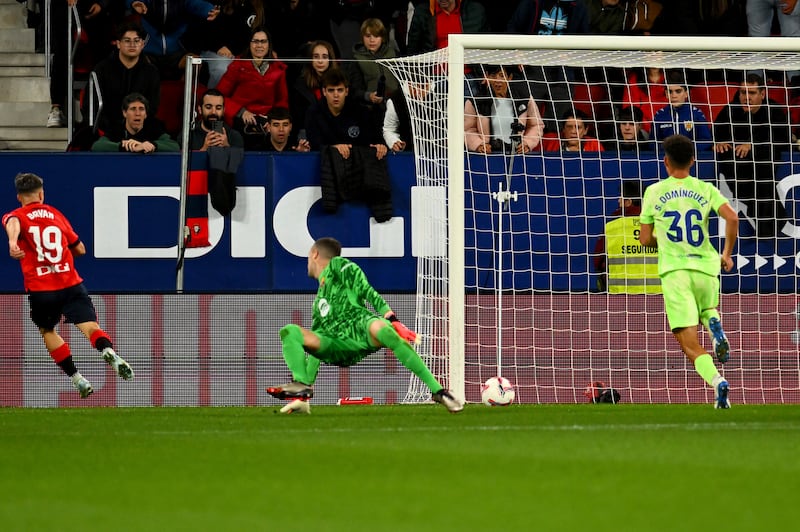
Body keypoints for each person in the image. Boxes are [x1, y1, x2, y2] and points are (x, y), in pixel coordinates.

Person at [266, 237, 464, 414]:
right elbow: (315, 346)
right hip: (334, 345)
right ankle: (301, 386)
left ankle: (438, 391)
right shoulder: (318, 302)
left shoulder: (337, 264)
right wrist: (304, 396)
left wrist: (392, 318)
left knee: (383, 329)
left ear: (314, 254)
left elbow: (366, 289)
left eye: (308, 258)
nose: (307, 264)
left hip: (359, 328)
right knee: (290, 331)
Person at [3, 172, 134, 398]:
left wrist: (13, 242)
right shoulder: (55, 214)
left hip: (41, 289)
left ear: (19, 197)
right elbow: (80, 249)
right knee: (90, 326)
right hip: (70, 284)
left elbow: (12, 222)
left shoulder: (17, 216)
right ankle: (107, 350)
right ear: (41, 194)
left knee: (48, 330)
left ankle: (77, 378)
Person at [638, 134, 739, 409]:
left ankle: (718, 381)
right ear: (694, 160)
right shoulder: (705, 188)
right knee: (707, 309)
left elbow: (645, 239)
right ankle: (714, 325)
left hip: (675, 271)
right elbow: (732, 217)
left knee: (690, 345)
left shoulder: (654, 191)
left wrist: (664, 238)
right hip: (706, 266)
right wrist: (726, 255)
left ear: (665, 161)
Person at [713, 73, 791, 238]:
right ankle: (772, 221)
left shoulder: (774, 111)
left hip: (763, 162)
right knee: (727, 155)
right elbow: (717, 133)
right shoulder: (730, 110)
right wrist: (720, 142)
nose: (746, 97)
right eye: (743, 92)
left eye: (752, 93)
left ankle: (769, 227)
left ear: (762, 94)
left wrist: (752, 145)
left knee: (764, 160)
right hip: (739, 166)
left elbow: (782, 140)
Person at [506, 0, 589, 134]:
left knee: (559, 124)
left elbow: (585, 38)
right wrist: (517, 51)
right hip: (531, 66)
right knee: (523, 119)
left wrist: (571, 54)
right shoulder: (530, 2)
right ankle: (521, 151)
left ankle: (556, 153)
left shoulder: (578, 6)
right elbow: (513, 28)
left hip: (562, 70)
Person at [216, 27, 289, 150]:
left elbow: (282, 100)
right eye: (255, 41)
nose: (259, 45)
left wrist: (273, 118)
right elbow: (219, 96)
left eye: (263, 41)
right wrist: (241, 111)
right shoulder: (237, 65)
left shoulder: (278, 68)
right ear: (249, 44)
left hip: (267, 120)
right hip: (240, 118)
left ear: (269, 45)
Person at [90, 21, 161, 134]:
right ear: (118, 44)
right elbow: (91, 107)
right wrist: (112, 130)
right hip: (107, 130)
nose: (132, 45)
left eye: (136, 41)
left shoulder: (151, 72)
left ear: (142, 44)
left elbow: (151, 108)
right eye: (127, 40)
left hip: (140, 130)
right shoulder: (101, 69)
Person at [593, 179, 660, 293]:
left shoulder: (612, 227)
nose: (618, 201)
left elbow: (597, 261)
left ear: (629, 202)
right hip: (661, 295)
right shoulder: (660, 226)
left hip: (621, 296)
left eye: (621, 198)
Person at [304, 69, 387, 159]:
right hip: (325, 164)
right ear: (324, 92)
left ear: (346, 91)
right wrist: (333, 149)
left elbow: (370, 142)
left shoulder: (360, 111)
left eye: (340, 90)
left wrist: (379, 146)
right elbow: (314, 145)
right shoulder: (313, 112)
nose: (336, 95)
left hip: (356, 164)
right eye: (331, 90)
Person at [127, 0, 220, 81]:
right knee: (136, 62)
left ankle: (185, 97)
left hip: (177, 51)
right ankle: (142, 98)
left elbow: (197, 4)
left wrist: (210, 9)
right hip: (150, 51)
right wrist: (133, 3)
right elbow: (132, 1)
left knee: (195, 62)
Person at [464, 64, 544, 154]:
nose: (497, 80)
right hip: (488, 155)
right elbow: (468, 130)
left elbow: (536, 125)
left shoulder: (524, 98)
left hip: (516, 154)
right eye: (493, 76)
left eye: (502, 76)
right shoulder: (475, 101)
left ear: (509, 77)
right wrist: (479, 145)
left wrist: (527, 143)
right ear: (487, 76)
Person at [91, 92, 180, 152]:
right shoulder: (116, 128)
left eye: (141, 109)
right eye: (133, 109)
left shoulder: (153, 127)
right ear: (125, 113)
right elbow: (97, 146)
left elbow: (175, 146)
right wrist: (124, 146)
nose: (137, 113)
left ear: (145, 114)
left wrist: (152, 145)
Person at [289, 40, 341, 143]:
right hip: (308, 134)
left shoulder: (340, 82)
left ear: (330, 59)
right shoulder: (300, 85)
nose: (320, 61)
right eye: (316, 57)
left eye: (324, 57)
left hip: (335, 132)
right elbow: (298, 119)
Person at [652, 70, 713, 152]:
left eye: (678, 91)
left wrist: (685, 148)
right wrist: (670, 149)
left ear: (686, 93)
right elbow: (652, 143)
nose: (674, 96)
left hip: (691, 159)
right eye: (670, 92)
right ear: (666, 94)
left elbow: (706, 141)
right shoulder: (659, 115)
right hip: (667, 159)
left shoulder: (696, 114)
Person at [406, 0, 489, 55]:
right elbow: (413, 48)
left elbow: (486, 44)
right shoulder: (423, 12)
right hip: (434, 74)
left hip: (466, 73)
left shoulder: (474, 11)